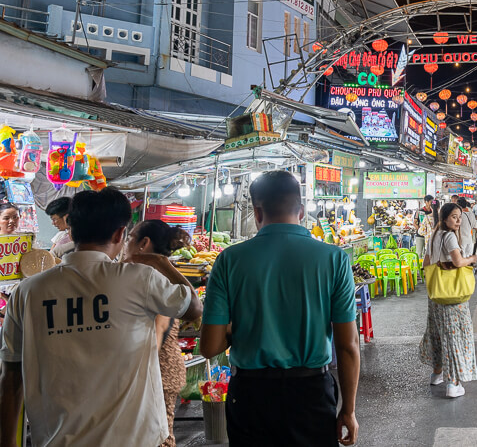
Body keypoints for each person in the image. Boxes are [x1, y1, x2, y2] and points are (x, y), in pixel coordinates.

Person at [0, 188, 203, 447]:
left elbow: (10, 376)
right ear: (120, 234)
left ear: (71, 232)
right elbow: (194, 308)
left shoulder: (27, 292)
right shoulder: (139, 279)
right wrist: (159, 262)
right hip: (133, 440)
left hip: (56, 440)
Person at [200, 171, 360, 446]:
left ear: (257, 211)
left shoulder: (228, 260)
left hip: (250, 395)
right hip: (310, 392)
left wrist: (238, 328)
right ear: (300, 208)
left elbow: (209, 347)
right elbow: (348, 345)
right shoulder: (334, 259)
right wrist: (348, 410)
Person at [123, 219, 193, 447]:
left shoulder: (154, 277)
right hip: (158, 368)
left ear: (144, 243)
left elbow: (159, 328)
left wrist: (138, 372)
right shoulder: (150, 274)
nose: (126, 244)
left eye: (130, 238)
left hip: (158, 370)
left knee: (160, 436)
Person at [420, 202, 477, 398]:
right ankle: (453, 384)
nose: (458, 220)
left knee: (437, 333)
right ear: (444, 218)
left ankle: (437, 374)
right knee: (455, 336)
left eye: (459, 217)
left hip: (435, 294)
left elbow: (426, 263)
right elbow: (458, 262)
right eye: (454, 216)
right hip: (452, 297)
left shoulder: (434, 236)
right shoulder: (449, 237)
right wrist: (471, 259)